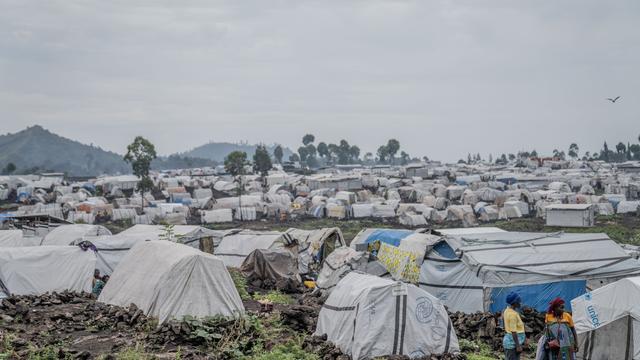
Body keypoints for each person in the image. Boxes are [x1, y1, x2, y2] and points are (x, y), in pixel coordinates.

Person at [503, 292, 526, 360]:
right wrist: (518, 346)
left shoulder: (507, 310)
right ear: (514, 303)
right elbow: (513, 331)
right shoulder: (513, 315)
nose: (520, 303)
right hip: (512, 345)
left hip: (511, 342)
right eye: (519, 301)